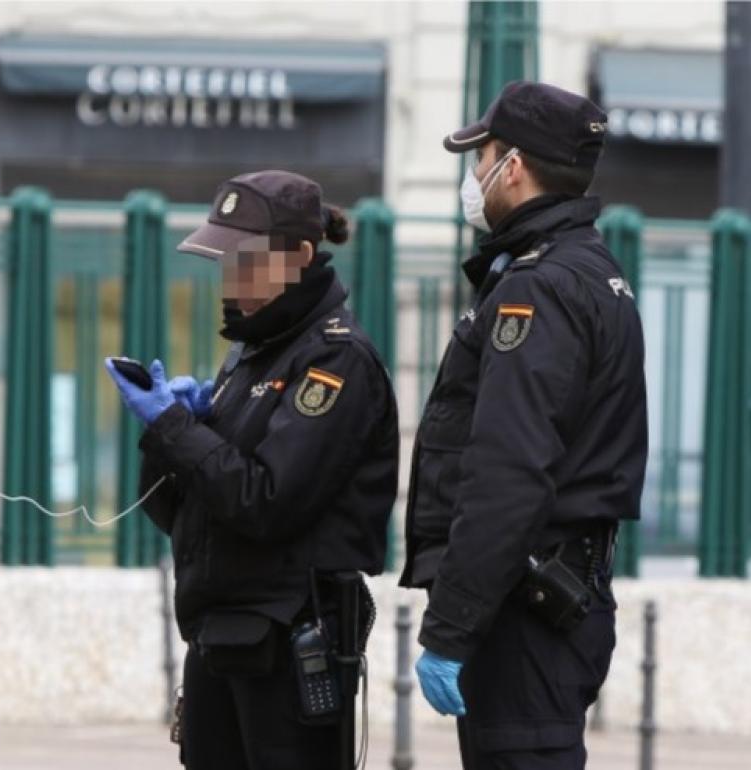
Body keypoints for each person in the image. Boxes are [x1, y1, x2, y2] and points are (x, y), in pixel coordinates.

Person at [106, 170, 400, 770]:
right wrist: (170, 435)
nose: (229, 277)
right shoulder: (251, 352)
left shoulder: (334, 356)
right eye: (224, 260)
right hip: (222, 635)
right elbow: (175, 512)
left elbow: (265, 501)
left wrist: (177, 429)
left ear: (298, 256)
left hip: (289, 644)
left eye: (244, 259)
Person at [401, 81, 648, 769]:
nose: (473, 176)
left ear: (513, 168)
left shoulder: (538, 288)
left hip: (524, 616)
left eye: (481, 160)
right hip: (550, 600)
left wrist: (451, 628)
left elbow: (508, 470)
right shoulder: (590, 272)